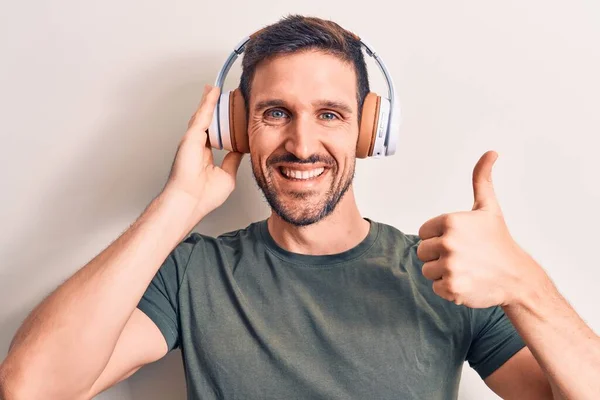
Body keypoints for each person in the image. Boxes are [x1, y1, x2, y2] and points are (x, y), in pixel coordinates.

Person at [0, 14, 598, 400]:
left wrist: (525, 285)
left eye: (330, 114)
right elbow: (30, 388)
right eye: (275, 113)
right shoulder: (194, 275)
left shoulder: (443, 272)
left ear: (369, 133)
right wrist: (178, 205)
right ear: (237, 127)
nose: (302, 144)